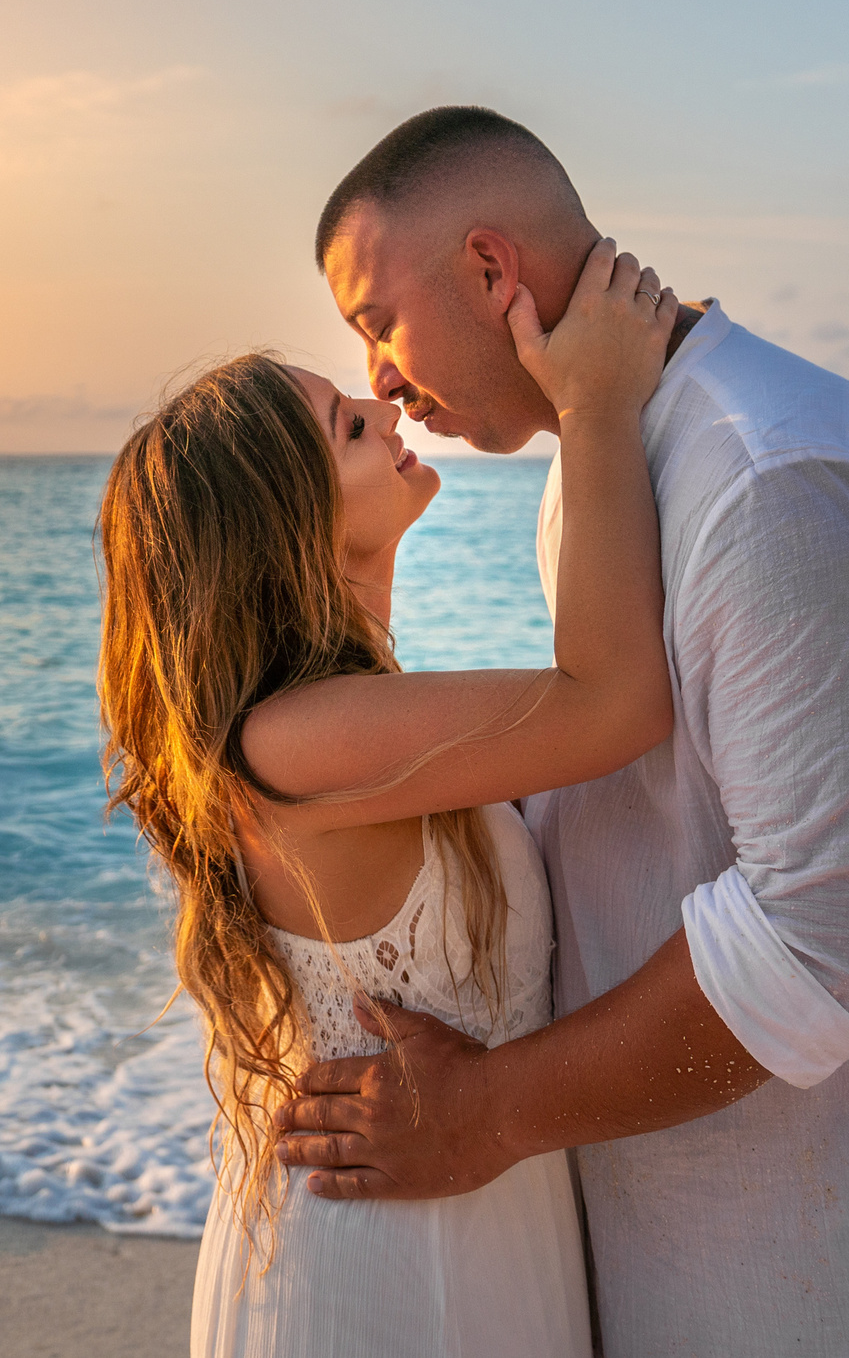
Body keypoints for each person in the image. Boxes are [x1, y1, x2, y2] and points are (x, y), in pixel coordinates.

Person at [279, 106, 849, 1358]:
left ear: (490, 270)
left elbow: (812, 947)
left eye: (375, 319)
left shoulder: (772, 473)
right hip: (704, 1262)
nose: (376, 375)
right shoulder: (610, 460)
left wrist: (483, 1112)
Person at [97, 243, 680, 1355]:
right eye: (346, 427)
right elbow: (614, 704)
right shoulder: (295, 738)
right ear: (282, 526)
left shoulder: (344, 715)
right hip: (384, 1273)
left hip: (464, 1221)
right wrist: (594, 404)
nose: (381, 402)